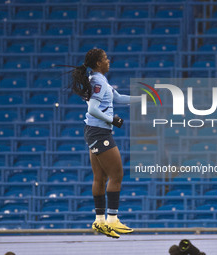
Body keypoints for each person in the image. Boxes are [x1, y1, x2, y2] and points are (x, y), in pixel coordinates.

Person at [70, 48, 141, 238]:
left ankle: (100, 220)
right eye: (106, 59)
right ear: (99, 63)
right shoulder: (98, 81)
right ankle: (112, 220)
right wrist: (112, 120)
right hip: (100, 132)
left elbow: (118, 98)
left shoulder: (98, 80)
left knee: (99, 177)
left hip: (94, 132)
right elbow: (93, 109)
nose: (109, 61)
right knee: (116, 174)